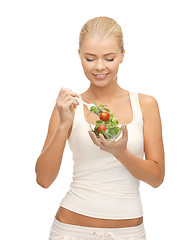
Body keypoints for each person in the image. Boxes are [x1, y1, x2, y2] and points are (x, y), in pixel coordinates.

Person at [35, 16, 165, 240]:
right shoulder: (68, 107)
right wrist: (64, 123)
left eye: (109, 58)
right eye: (90, 58)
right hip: (71, 229)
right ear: (79, 56)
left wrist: (120, 152)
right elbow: (44, 180)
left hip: (129, 233)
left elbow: (156, 178)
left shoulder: (146, 105)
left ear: (123, 55)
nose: (99, 67)